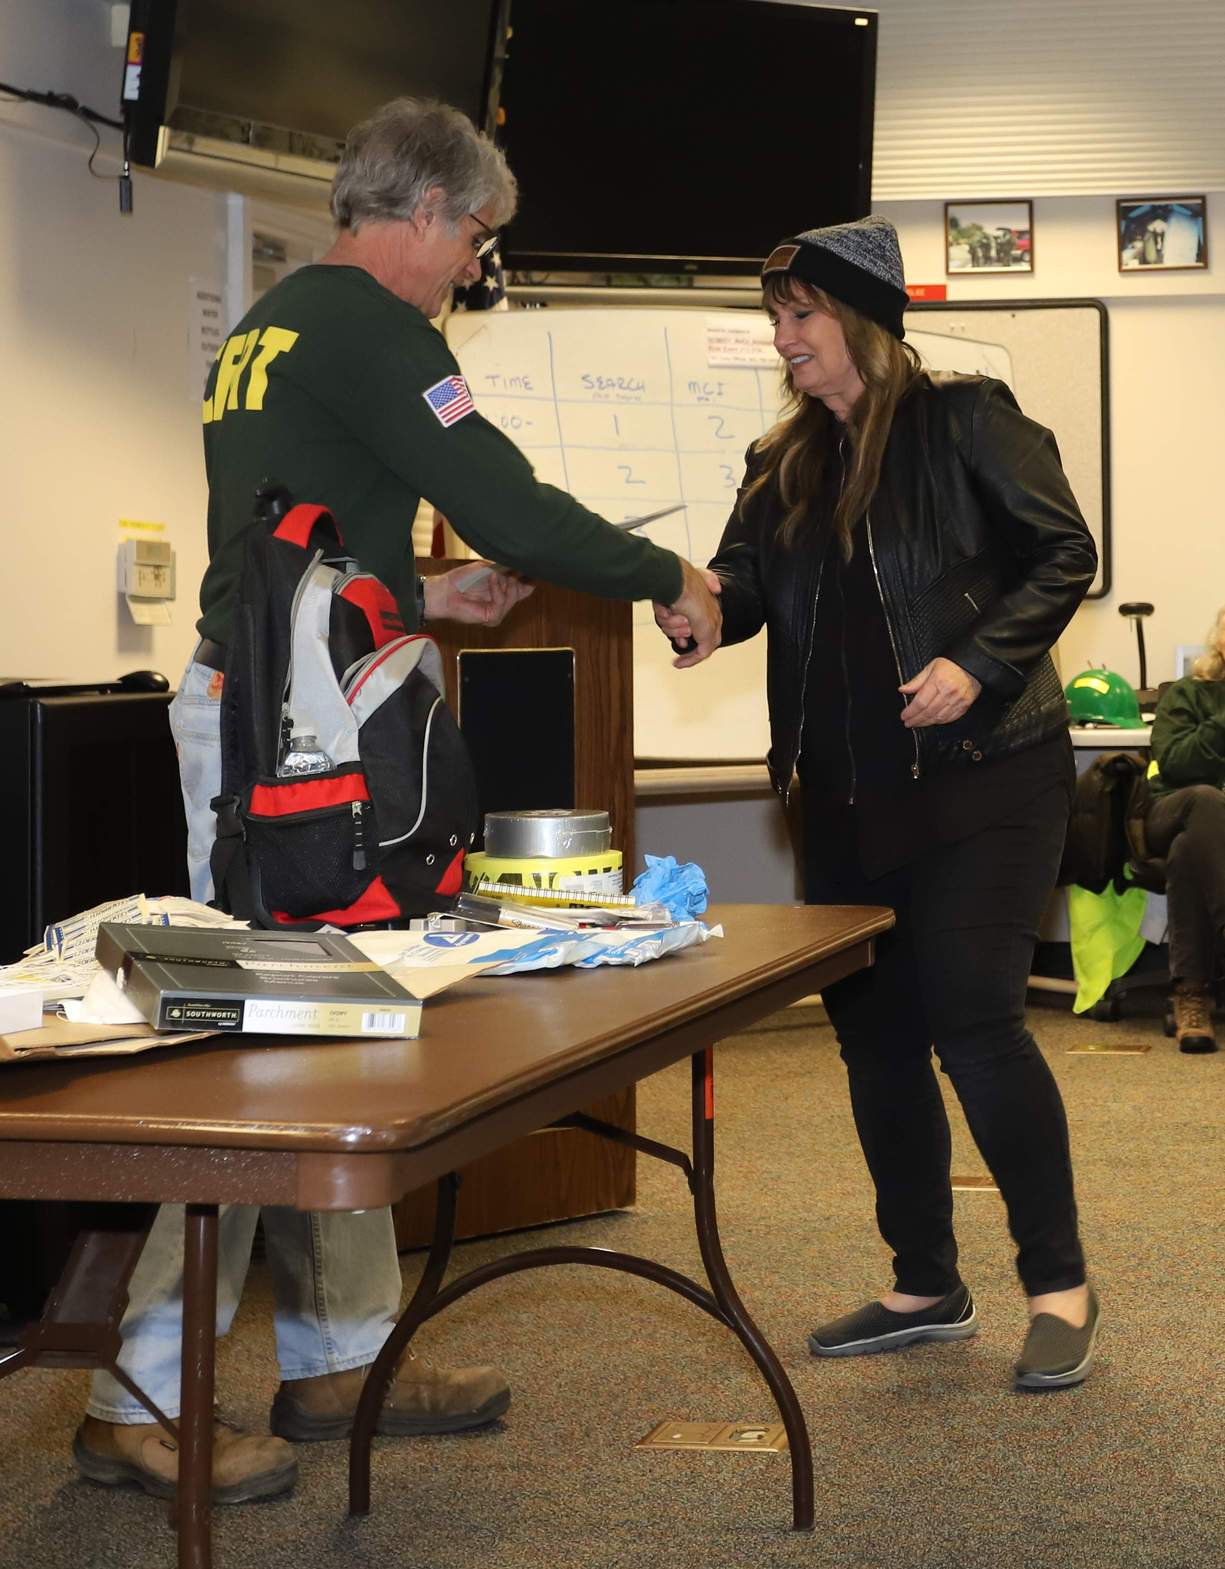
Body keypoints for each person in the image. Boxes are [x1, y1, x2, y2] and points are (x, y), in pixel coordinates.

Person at [75, 96, 721, 1505]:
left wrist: (422, 593)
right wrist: (668, 576)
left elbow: (288, 545)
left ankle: (341, 1359)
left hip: (274, 700)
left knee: (335, 1040)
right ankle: (141, 1399)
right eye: (475, 238)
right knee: (254, 1059)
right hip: (289, 734)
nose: (474, 269)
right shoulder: (379, 330)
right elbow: (519, 508)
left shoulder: (273, 326)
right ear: (423, 209)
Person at [656, 215, 1103, 1391]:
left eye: (800, 315)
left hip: (987, 776)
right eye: (775, 318)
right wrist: (703, 609)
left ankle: (1058, 1285)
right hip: (845, 793)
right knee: (874, 1038)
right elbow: (746, 582)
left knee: (974, 1018)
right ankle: (924, 1283)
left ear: (860, 319)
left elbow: (1064, 553)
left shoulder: (969, 421)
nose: (782, 339)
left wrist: (980, 662)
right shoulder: (780, 459)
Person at [1142, 608, 1225, 1052]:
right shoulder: (1187, 694)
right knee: (1207, 803)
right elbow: (1175, 764)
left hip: (1199, 838)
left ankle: (1191, 995)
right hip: (1173, 807)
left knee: (1189, 850)